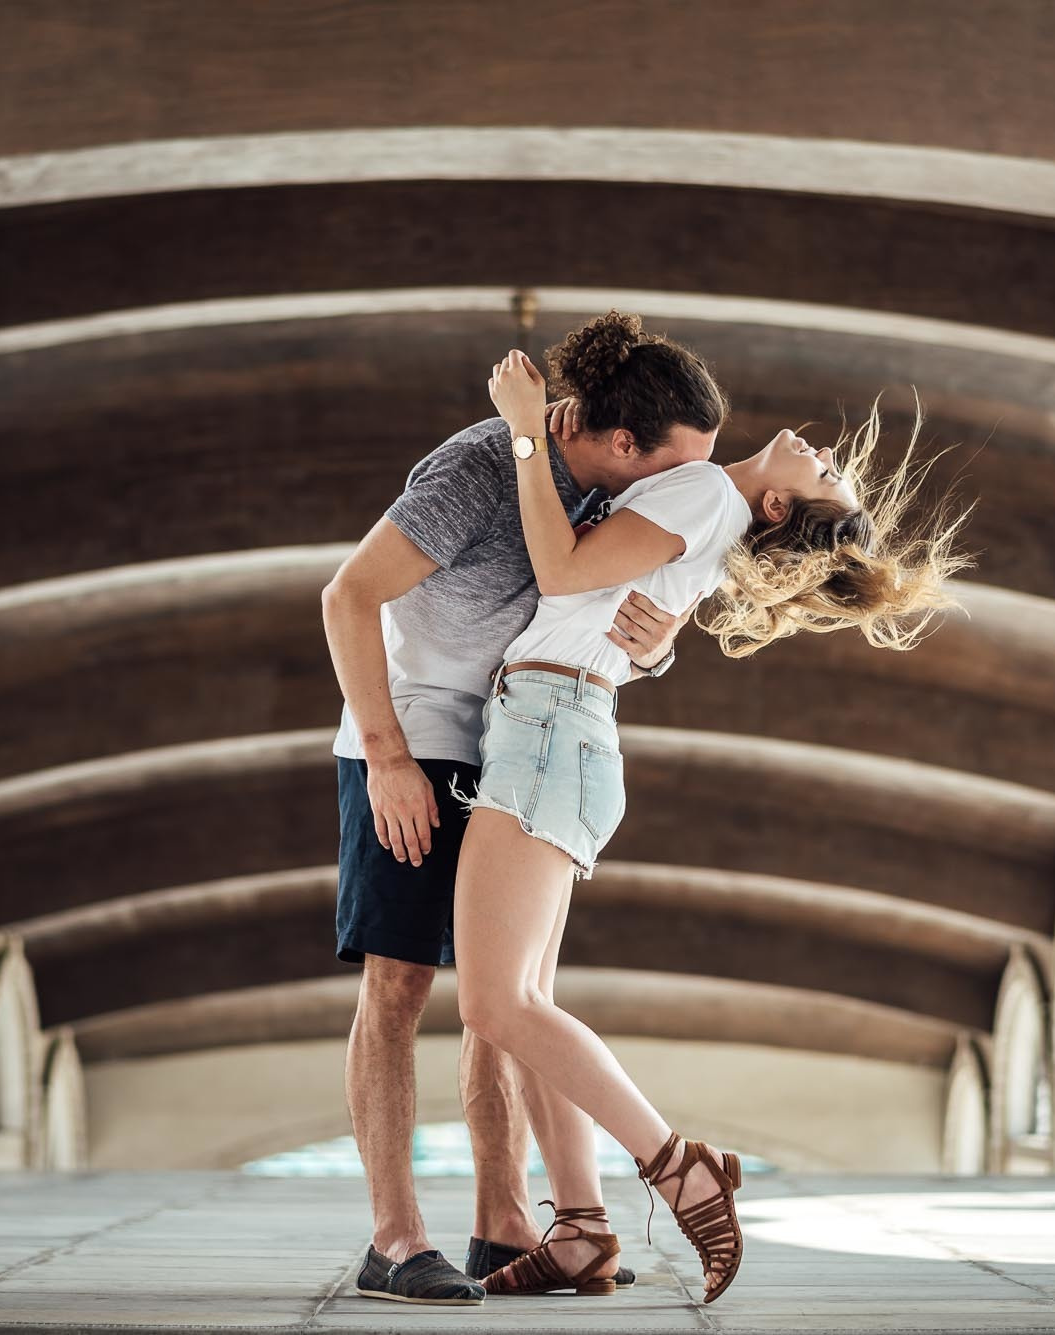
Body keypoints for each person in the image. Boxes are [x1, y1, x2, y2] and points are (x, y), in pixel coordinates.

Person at [455, 314, 970, 1304]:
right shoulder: (701, 506)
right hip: (566, 729)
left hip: (548, 733)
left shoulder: (698, 493)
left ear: (778, 502)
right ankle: (580, 1229)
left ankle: (674, 1168)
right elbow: (612, 601)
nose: (823, 455)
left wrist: (523, 428)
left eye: (825, 477)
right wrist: (652, 643)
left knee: (495, 1005)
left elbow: (561, 570)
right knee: (525, 1008)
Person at [319, 314, 729, 1305]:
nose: (683, 486)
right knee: (400, 985)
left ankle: (501, 1225)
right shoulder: (474, 471)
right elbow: (346, 596)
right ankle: (392, 1236)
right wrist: (385, 758)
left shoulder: (608, 490)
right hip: (413, 737)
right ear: (616, 441)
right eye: (674, 465)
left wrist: (658, 635)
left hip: (515, 742)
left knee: (499, 1001)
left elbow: (594, 611)